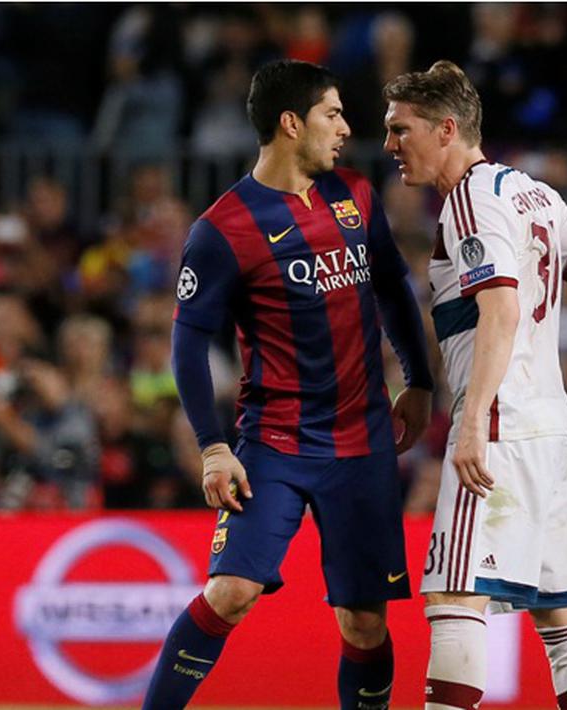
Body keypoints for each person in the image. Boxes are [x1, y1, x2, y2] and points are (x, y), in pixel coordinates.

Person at [381, 60, 567, 710]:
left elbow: (501, 308)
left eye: (399, 129)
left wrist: (470, 422)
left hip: (500, 425)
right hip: (552, 432)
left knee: (453, 594)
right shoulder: (533, 193)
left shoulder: (468, 201)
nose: (389, 146)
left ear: (445, 128)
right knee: (561, 614)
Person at [143, 59, 435, 710]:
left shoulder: (356, 194)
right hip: (273, 444)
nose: (345, 128)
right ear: (289, 123)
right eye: (332, 114)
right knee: (231, 592)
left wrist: (417, 379)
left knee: (364, 621)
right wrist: (213, 446)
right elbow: (189, 341)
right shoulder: (222, 229)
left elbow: (390, 285)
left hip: (362, 443)